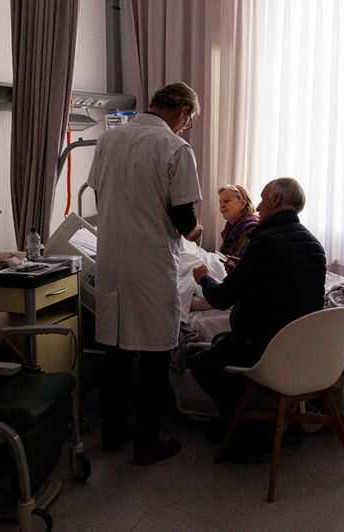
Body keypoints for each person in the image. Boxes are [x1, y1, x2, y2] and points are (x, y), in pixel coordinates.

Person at [86, 81, 204, 465]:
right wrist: (195, 232)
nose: (184, 128)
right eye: (187, 122)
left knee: (115, 351)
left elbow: (101, 197)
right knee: (155, 354)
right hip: (150, 263)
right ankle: (147, 444)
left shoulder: (109, 141)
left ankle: (112, 432)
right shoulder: (175, 148)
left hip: (112, 260)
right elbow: (184, 218)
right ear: (182, 113)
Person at [190, 178, 326, 457]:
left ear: (276, 200)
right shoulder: (314, 244)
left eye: (264, 199)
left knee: (202, 361)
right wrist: (246, 269)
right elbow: (284, 284)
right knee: (219, 340)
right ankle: (240, 420)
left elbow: (222, 298)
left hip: (265, 346)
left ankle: (244, 428)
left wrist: (204, 279)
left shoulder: (263, 242)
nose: (259, 206)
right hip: (302, 346)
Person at [189, 184, 258, 311]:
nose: (222, 206)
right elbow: (221, 256)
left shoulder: (251, 229)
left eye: (226, 201)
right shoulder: (230, 229)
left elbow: (245, 268)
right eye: (220, 202)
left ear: (242, 204)